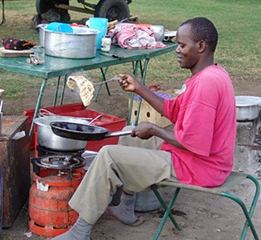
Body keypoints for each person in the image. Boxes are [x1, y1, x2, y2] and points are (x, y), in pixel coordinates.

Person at [52, 17, 236, 240]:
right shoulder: (209, 75)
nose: (177, 50)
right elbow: (174, 111)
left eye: (182, 45)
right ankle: (125, 203)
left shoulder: (206, 84)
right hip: (198, 157)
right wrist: (138, 88)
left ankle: (80, 232)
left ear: (201, 46)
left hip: (202, 167)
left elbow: (195, 143)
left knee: (108, 154)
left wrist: (156, 130)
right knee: (131, 134)